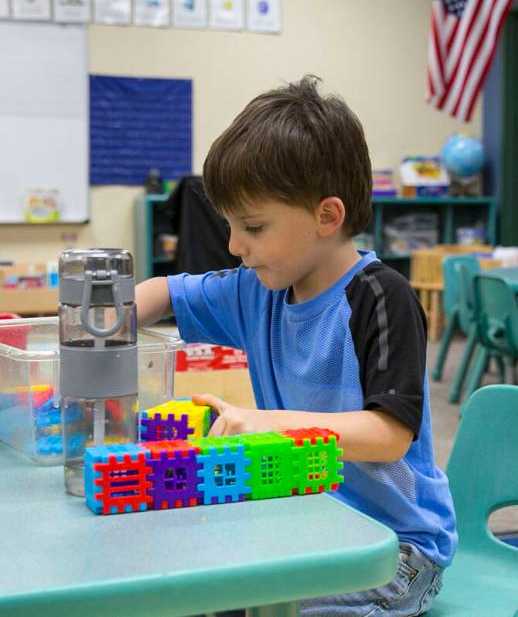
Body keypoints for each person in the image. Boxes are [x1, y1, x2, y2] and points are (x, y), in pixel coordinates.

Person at [135, 76, 456, 616]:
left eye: (253, 227)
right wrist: (99, 320)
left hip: (393, 552)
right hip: (303, 527)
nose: (236, 247)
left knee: (249, 602)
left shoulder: (380, 298)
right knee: (191, 576)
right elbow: (162, 291)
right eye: (231, 226)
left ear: (327, 217)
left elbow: (389, 436)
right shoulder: (257, 289)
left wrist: (265, 421)